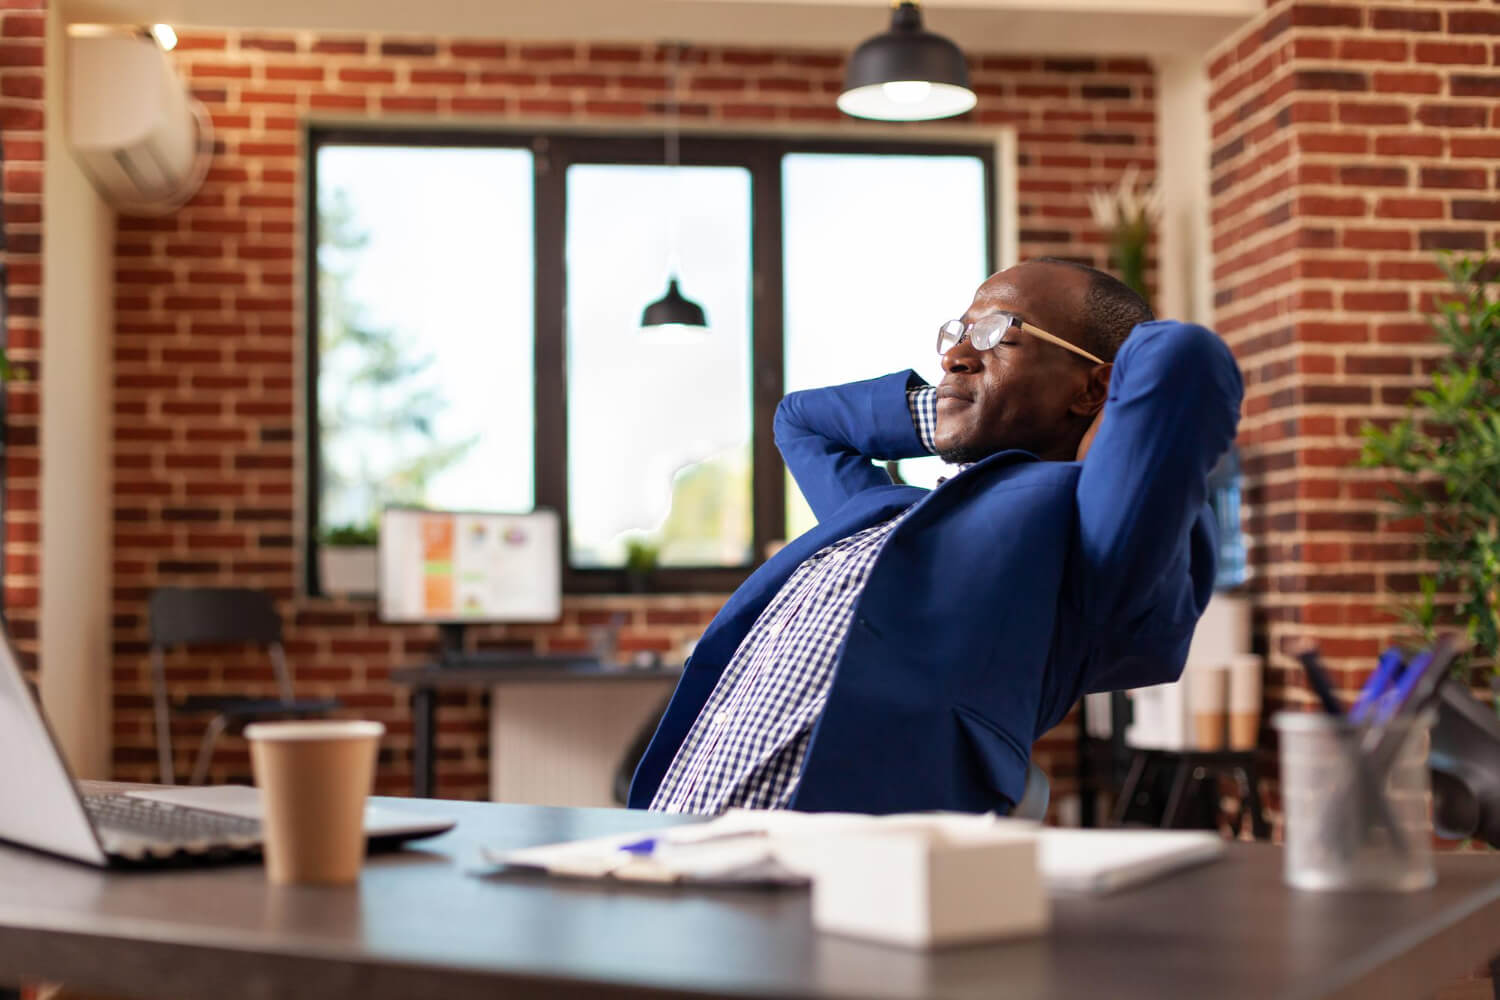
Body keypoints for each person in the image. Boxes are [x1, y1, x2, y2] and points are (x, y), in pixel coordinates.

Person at [629, 258, 1244, 816]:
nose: (953, 355)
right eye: (957, 333)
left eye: (999, 332)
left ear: (1092, 388)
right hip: (674, 831)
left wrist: (1061, 417)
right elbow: (801, 420)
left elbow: (1183, 360)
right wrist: (951, 407)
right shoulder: (883, 510)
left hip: (815, 871)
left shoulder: (1081, 531)